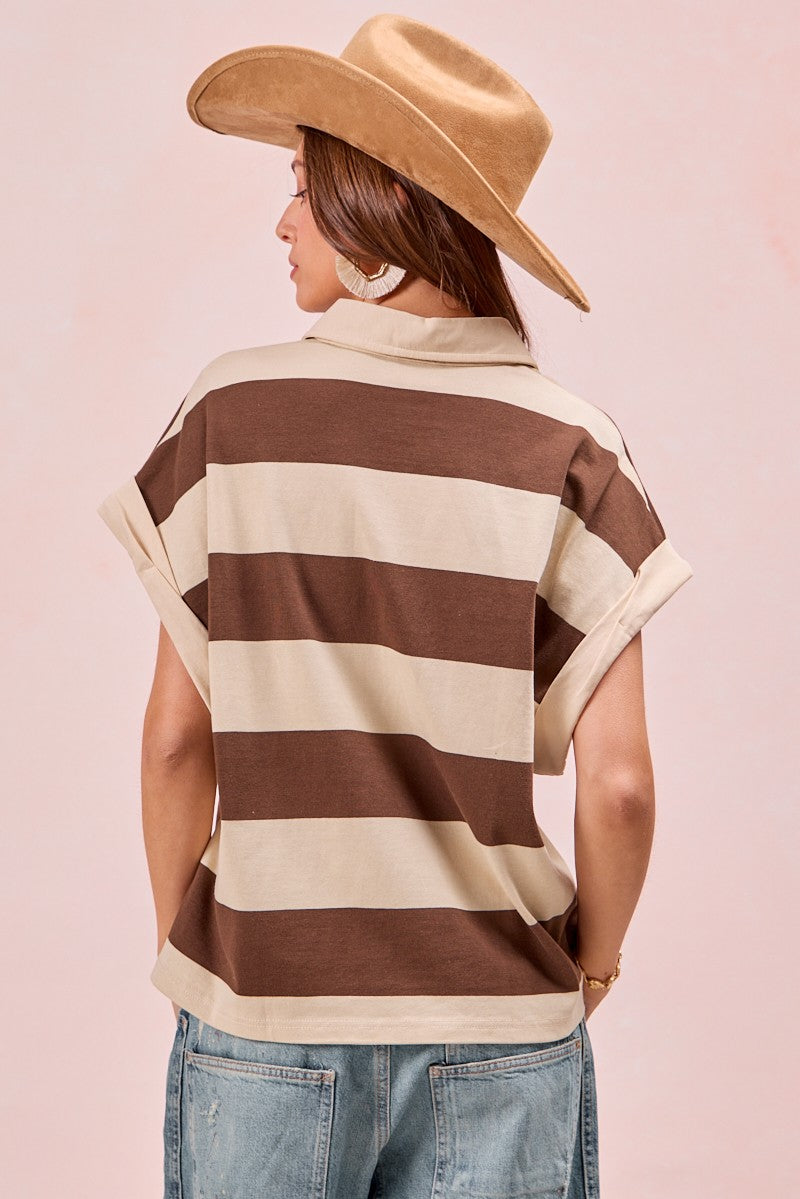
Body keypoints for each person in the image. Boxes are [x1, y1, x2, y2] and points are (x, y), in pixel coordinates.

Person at [96, 14, 693, 1199]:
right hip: (499, 1022)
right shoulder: (570, 446)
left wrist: (213, 953)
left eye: (303, 186)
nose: (281, 219)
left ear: (379, 209)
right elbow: (618, 783)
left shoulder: (232, 417)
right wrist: (594, 966)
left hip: (262, 1015)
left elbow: (174, 738)